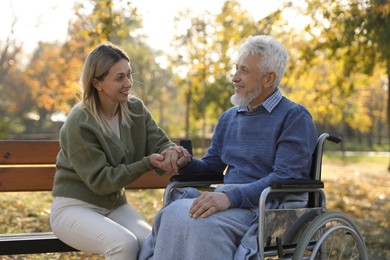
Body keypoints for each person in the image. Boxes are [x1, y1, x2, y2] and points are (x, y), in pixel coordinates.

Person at [139, 35, 318, 259]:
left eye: (244, 71)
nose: (234, 78)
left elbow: (286, 176)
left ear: (268, 79)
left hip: (268, 208)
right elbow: (212, 167)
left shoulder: (294, 117)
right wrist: (186, 163)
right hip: (230, 201)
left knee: (203, 224)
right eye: (236, 69)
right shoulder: (229, 117)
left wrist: (231, 198)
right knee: (174, 213)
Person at [50, 42, 189, 260]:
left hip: (115, 206)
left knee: (155, 243)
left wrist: (171, 151)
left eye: (129, 75)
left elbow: (159, 141)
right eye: (119, 78)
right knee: (123, 244)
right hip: (73, 209)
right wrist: (147, 163)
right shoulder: (79, 122)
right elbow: (101, 182)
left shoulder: (135, 109)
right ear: (97, 82)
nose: (128, 83)